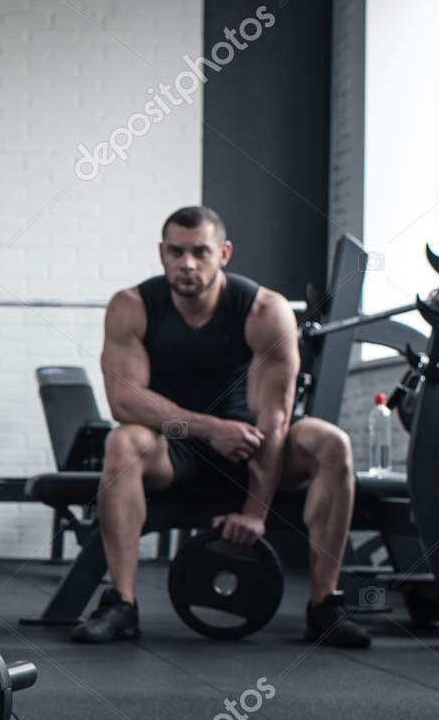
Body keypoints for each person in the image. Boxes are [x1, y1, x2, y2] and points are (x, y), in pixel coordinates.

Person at [72, 205, 369, 648]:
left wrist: (254, 514)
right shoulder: (132, 307)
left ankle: (324, 606)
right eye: (176, 252)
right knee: (121, 443)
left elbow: (275, 419)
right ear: (161, 253)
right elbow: (123, 401)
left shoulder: (266, 311)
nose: (187, 263)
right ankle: (122, 603)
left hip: (254, 444)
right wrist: (210, 429)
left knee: (333, 444)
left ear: (224, 253)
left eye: (200, 252)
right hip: (175, 445)